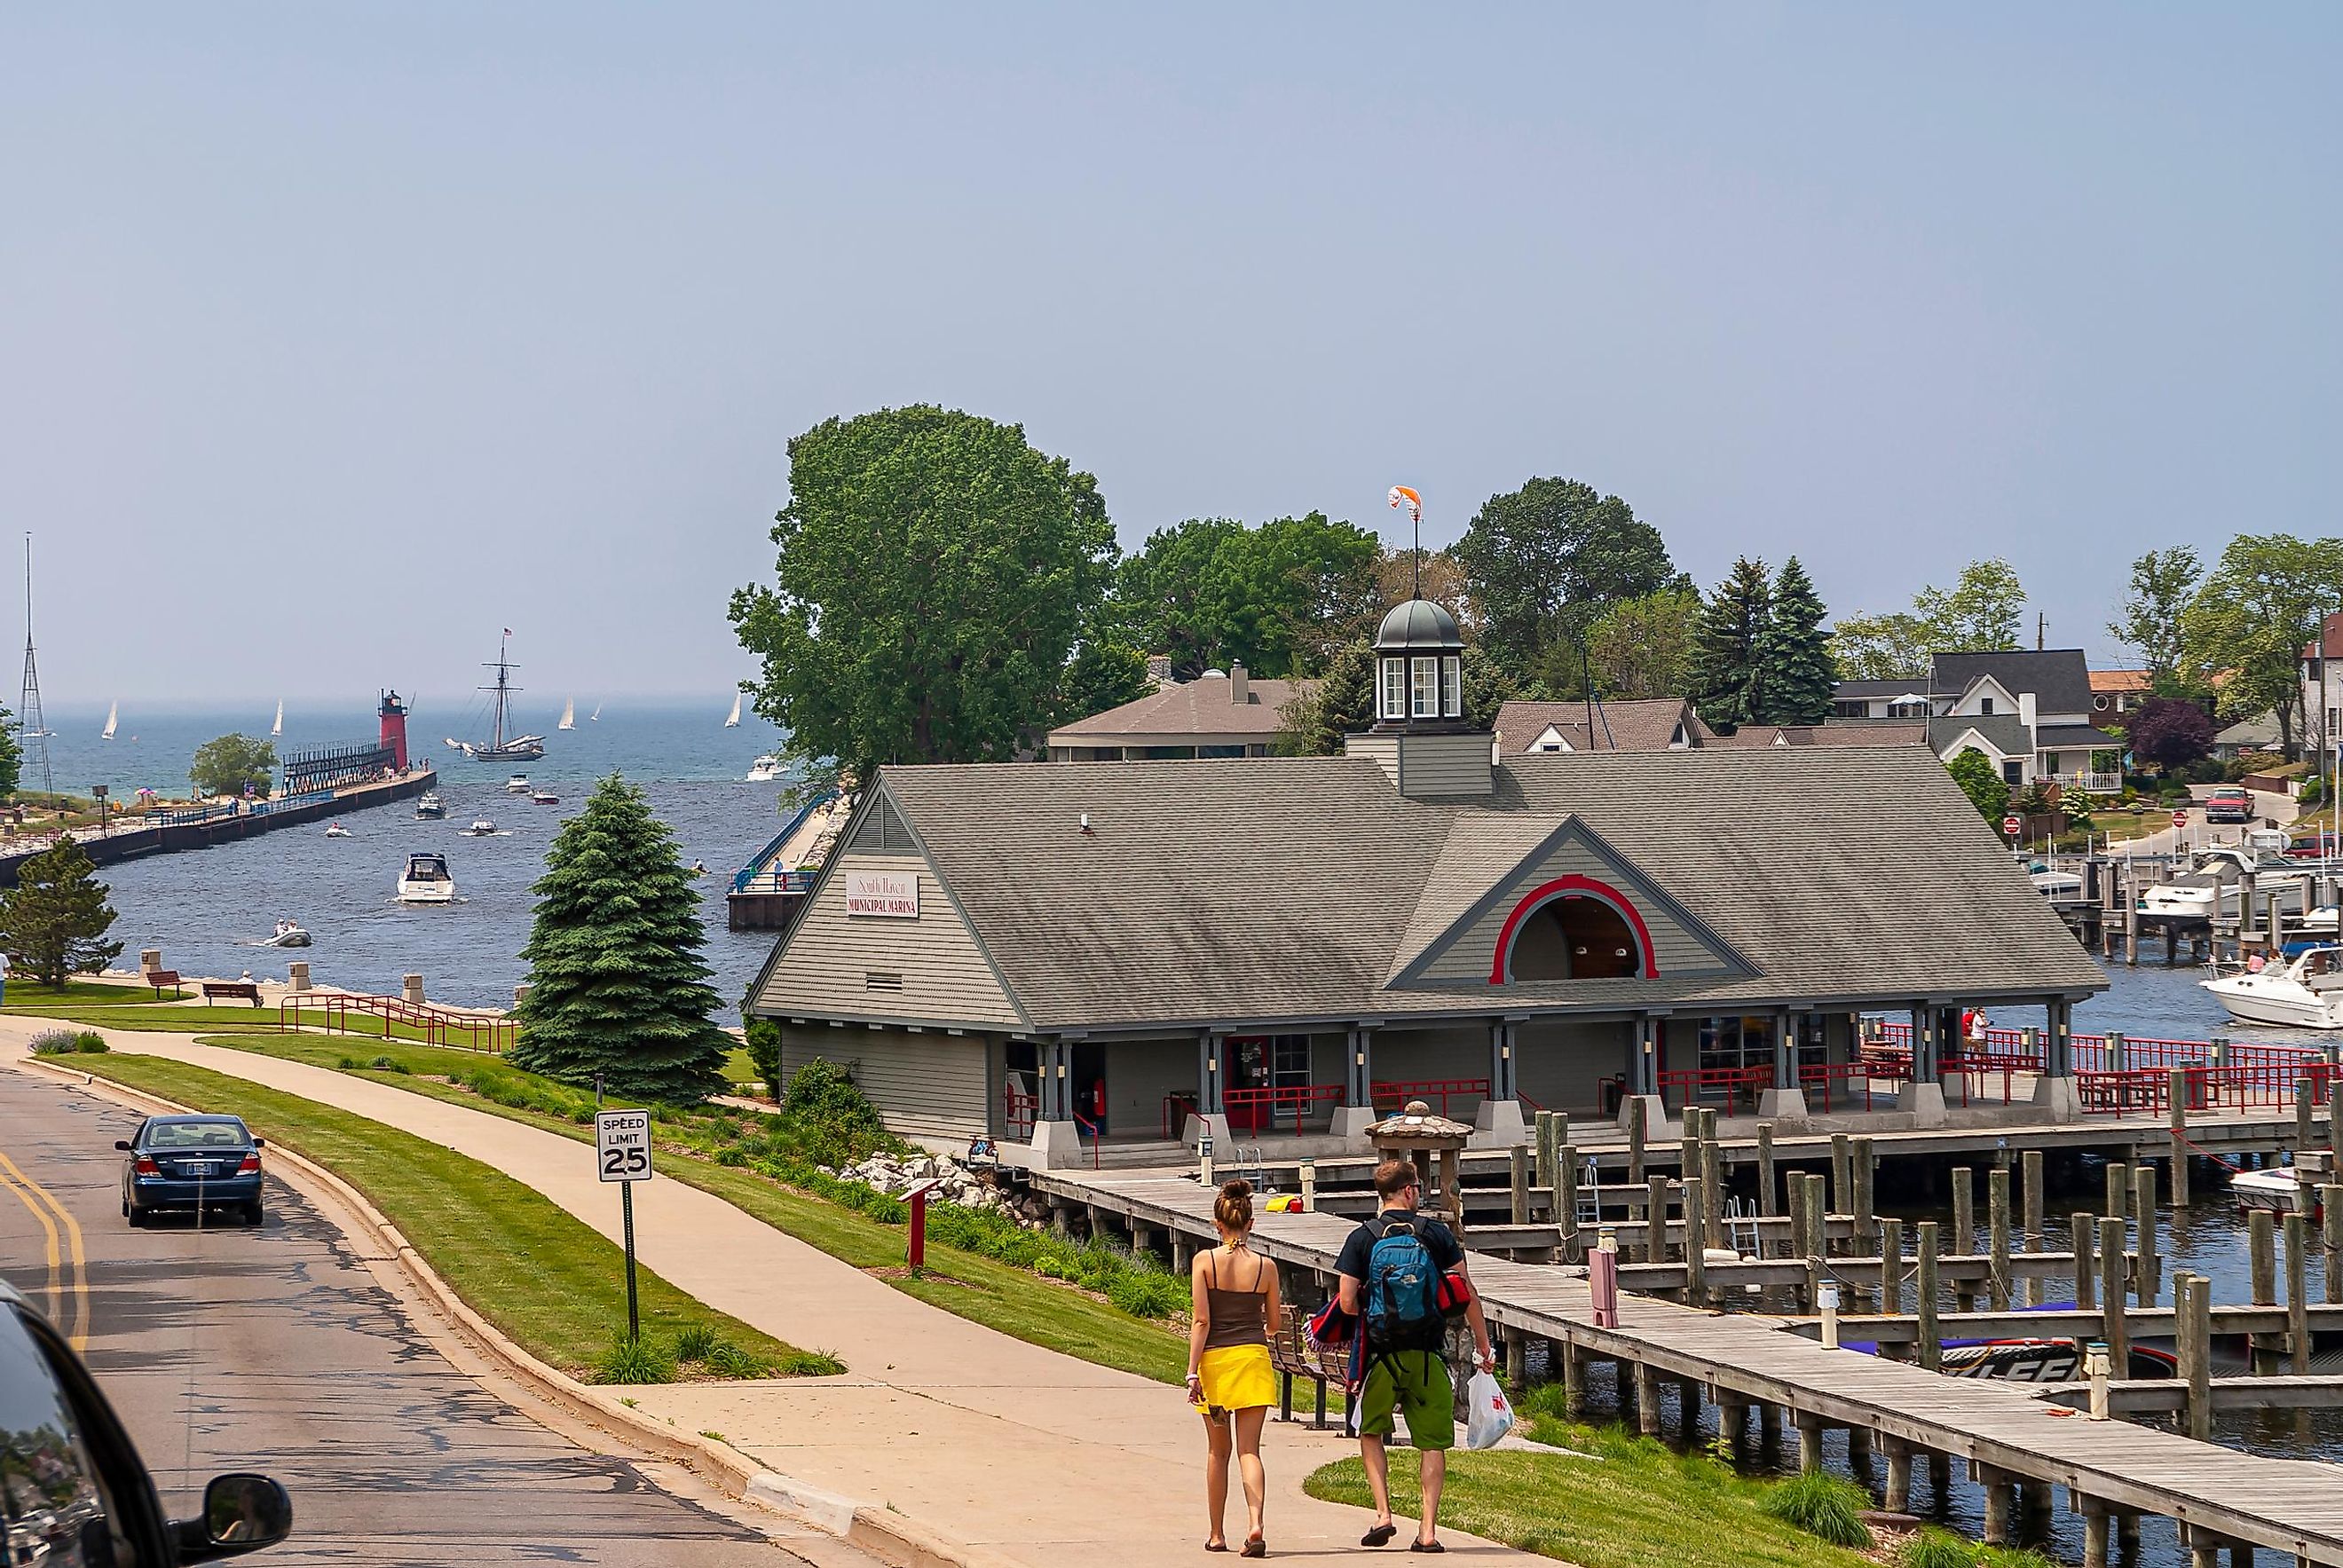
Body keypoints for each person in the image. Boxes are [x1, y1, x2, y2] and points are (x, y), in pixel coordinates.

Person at [1337, 1159, 1493, 1553]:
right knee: (1432, 1443)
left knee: (1371, 1433)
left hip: (1381, 1359)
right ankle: (1427, 1531)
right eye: (1418, 1188)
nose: (1420, 1194)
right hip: (1428, 1356)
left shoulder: (1362, 1238)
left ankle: (1384, 1514)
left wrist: (1379, 1306)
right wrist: (1483, 1343)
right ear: (1408, 1191)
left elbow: (1347, 1302)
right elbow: (1465, 1291)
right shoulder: (1436, 1234)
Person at [1186, 1178, 1279, 1556]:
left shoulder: (1204, 1261)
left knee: (1217, 1451)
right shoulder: (1266, 1267)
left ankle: (1216, 1534)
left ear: (1217, 1224)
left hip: (1216, 1366)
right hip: (1254, 1361)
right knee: (1250, 1450)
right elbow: (1273, 1323)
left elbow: (1201, 1321)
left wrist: (1192, 1371)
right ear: (1251, 1223)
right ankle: (1255, 1523)